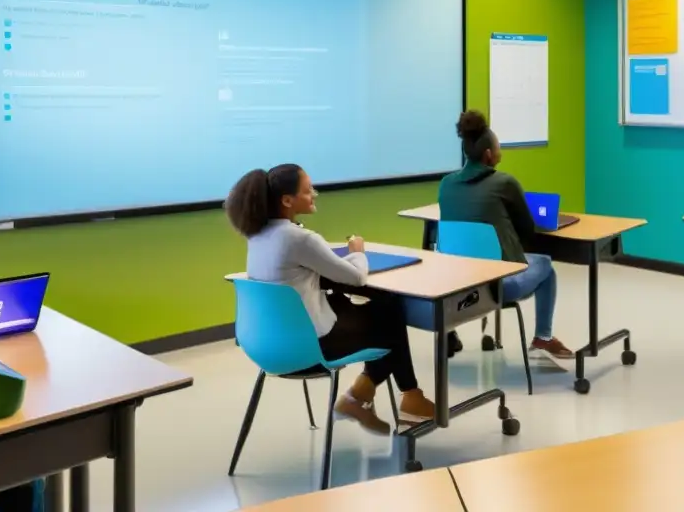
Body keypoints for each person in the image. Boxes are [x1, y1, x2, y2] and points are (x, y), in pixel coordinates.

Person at [225, 163, 435, 435]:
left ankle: (364, 396)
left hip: (267, 345)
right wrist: (358, 251)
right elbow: (357, 278)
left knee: (374, 311)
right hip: (310, 348)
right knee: (390, 314)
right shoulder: (300, 238)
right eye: (307, 189)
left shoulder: (257, 235)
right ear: (287, 200)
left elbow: (318, 269)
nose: (314, 194)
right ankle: (403, 399)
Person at [437, 110, 574, 359]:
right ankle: (543, 336)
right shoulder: (504, 183)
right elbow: (527, 230)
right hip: (499, 286)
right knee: (545, 263)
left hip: (457, 286)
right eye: (499, 147)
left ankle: (451, 333)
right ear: (489, 155)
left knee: (532, 263)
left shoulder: (446, 184)